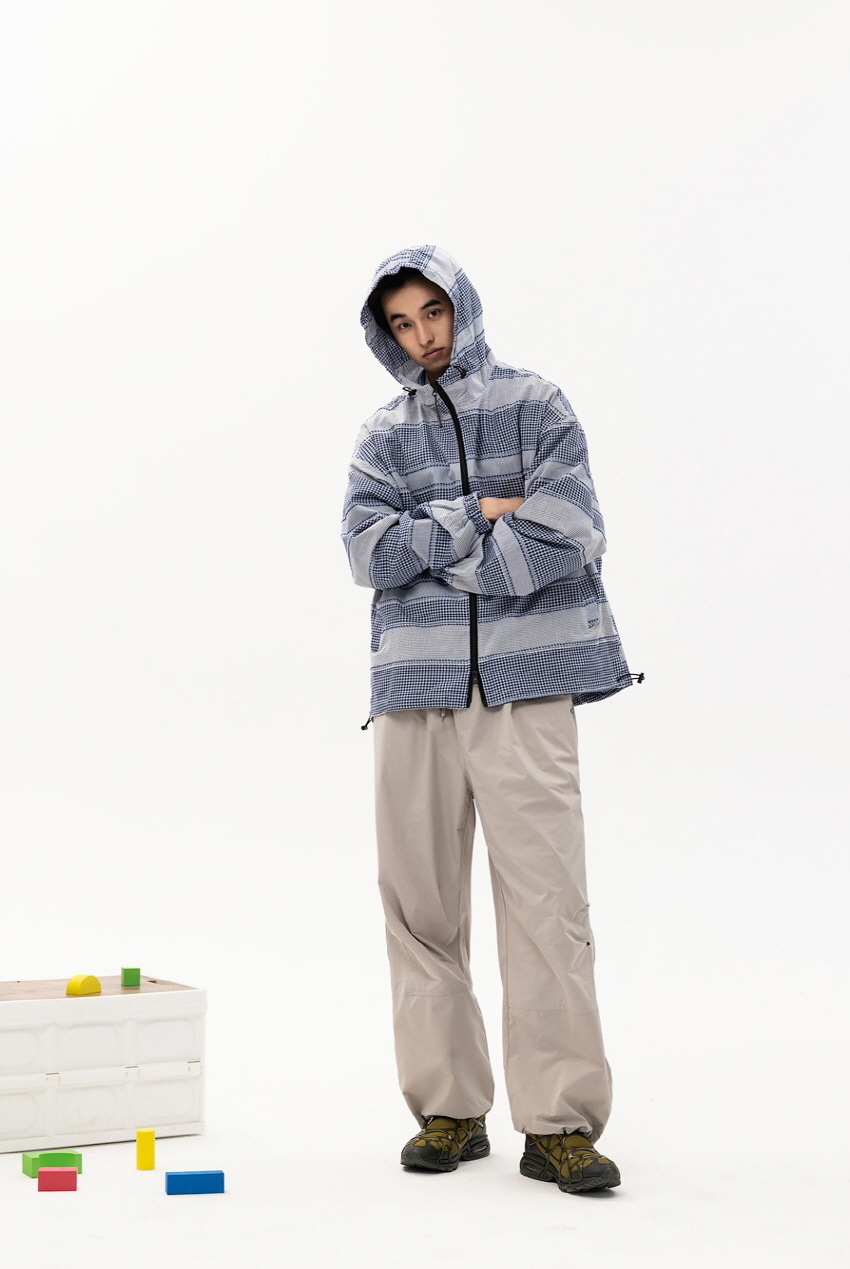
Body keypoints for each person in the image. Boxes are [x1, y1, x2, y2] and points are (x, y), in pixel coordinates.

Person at [341, 245, 642, 1195]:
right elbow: (366, 552)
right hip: (413, 690)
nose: (422, 336)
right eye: (402, 323)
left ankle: (559, 1124)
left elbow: (566, 530)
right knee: (419, 906)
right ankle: (450, 1108)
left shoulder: (537, 405)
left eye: (433, 312)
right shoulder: (380, 437)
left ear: (461, 308)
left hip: (527, 684)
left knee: (548, 903)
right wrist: (479, 511)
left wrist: (435, 549)